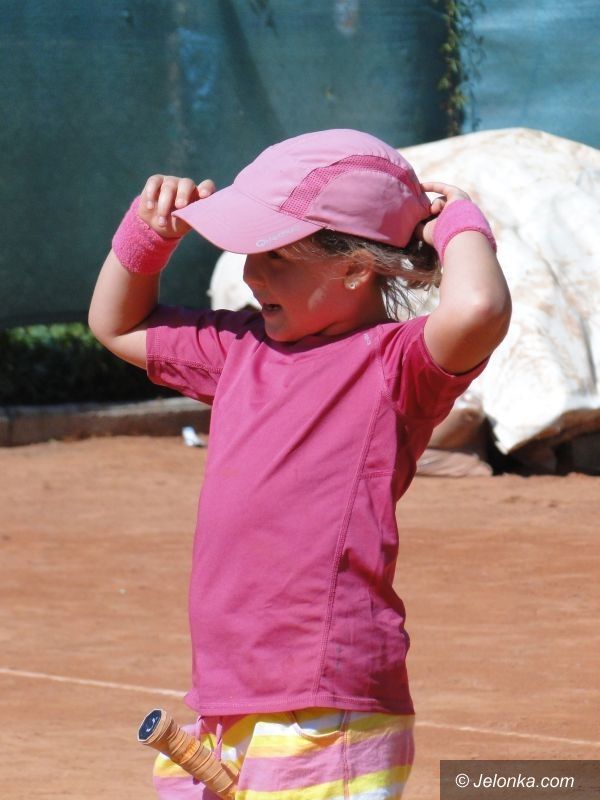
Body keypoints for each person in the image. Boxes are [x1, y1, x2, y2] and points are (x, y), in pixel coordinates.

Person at [89, 129, 511, 799]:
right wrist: (148, 236)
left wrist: (457, 220)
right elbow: (116, 326)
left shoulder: (397, 364)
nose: (252, 275)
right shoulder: (239, 349)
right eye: (250, 254)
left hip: (325, 705)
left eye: (277, 256)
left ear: (356, 267)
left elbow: (479, 308)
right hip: (226, 694)